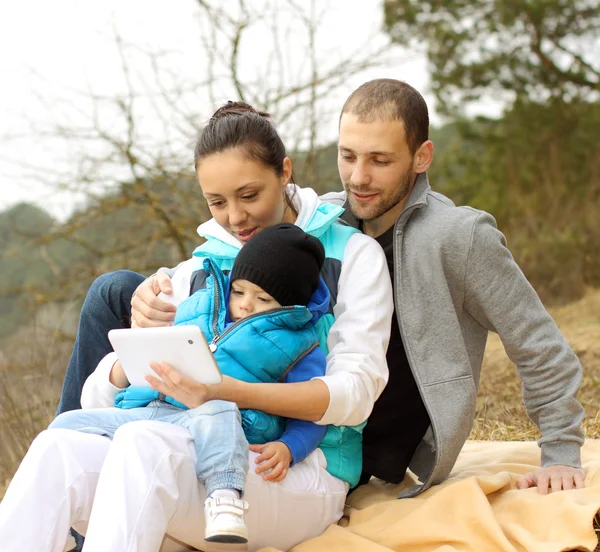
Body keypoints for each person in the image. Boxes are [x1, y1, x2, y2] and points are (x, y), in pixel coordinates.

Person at [97, 81, 586, 499]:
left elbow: (536, 342)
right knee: (116, 291)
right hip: (289, 414)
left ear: (421, 157)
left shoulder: (460, 238)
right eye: (347, 157)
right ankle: (84, 478)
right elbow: (231, 255)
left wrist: (561, 450)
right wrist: (158, 285)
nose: (358, 177)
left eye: (379, 160)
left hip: (354, 435)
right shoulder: (321, 221)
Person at [0, 101, 392, 552]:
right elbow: (98, 403)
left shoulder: (352, 256)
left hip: (292, 470)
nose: (235, 217)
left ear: (285, 172)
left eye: (249, 194)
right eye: (216, 202)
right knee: (57, 448)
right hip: (183, 461)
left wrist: (223, 392)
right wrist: (125, 366)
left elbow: (355, 394)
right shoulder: (193, 273)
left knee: (145, 445)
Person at [48, 223, 332, 545]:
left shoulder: (300, 346)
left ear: (289, 305)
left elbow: (311, 412)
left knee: (218, 407)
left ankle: (225, 499)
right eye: (238, 291)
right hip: (153, 410)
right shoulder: (201, 308)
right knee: (66, 424)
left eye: (263, 298)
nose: (245, 305)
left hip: (218, 426)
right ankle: (56, 522)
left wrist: (290, 447)